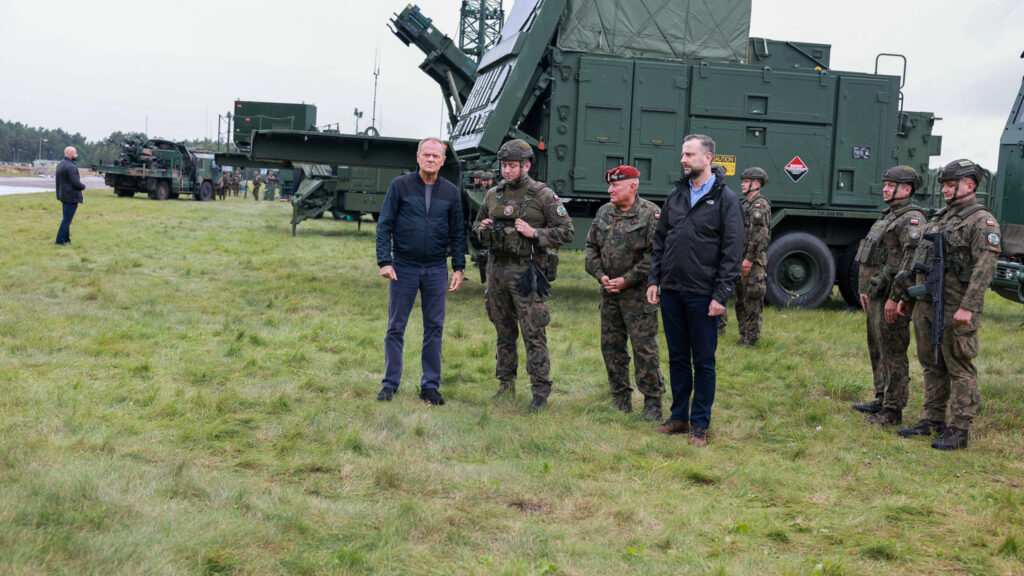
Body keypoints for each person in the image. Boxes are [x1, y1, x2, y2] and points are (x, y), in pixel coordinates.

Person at [891, 159, 1001, 450]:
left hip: (956, 306)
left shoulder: (981, 220)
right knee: (931, 363)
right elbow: (921, 261)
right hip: (927, 302)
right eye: (944, 185)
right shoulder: (941, 217)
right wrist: (907, 297)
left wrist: (969, 307)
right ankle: (933, 419)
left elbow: (985, 267)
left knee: (958, 365)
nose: (945, 190)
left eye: (951, 185)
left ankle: (959, 428)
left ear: (970, 185)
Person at [647, 134, 743, 446]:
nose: (683, 160)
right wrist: (654, 280)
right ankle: (678, 417)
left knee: (703, 361)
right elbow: (660, 241)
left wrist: (721, 295)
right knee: (677, 358)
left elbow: (732, 251)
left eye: (689, 155)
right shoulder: (676, 195)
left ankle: (700, 424)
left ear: (708, 158)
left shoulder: (726, 199)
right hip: (672, 291)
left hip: (704, 295)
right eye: (683, 154)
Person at [473, 139, 574, 409]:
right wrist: (481, 227)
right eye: (504, 165)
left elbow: (567, 232)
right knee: (503, 331)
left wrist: (535, 233)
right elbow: (476, 225)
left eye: (512, 166)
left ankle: (540, 392)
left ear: (526, 165)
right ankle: (505, 385)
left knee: (533, 333)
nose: (507, 171)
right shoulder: (493, 194)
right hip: (496, 271)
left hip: (527, 272)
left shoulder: (543, 195)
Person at [375, 137, 466, 405]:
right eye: (426, 154)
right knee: (395, 327)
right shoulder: (399, 186)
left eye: (436, 156)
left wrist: (458, 267)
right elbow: (384, 226)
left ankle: (429, 386)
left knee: (434, 328)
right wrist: (385, 261)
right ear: (417, 157)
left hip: (437, 269)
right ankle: (390, 385)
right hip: (403, 267)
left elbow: (457, 233)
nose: (430, 159)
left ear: (442, 160)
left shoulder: (451, 192)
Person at [585, 165, 665, 421]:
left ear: (633, 186)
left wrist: (626, 280)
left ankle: (652, 403)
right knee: (611, 347)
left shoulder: (650, 214)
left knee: (644, 350)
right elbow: (591, 248)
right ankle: (620, 398)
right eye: (609, 185)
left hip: (638, 297)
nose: (610, 190)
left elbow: (657, 255)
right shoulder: (604, 212)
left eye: (615, 185)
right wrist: (601, 275)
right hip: (609, 294)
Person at [850, 165, 927, 426]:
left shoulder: (911, 219)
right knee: (877, 347)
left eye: (890, 184)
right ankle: (881, 397)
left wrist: (896, 298)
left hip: (891, 297)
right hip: (876, 295)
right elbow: (871, 256)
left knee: (893, 351)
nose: (884, 188)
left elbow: (909, 264)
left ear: (906, 189)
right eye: (884, 184)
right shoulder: (888, 216)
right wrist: (863, 290)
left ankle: (893, 410)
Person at [732, 167, 773, 347]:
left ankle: (751, 341)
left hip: (752, 262)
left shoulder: (759, 205)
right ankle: (743, 338)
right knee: (740, 300)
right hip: (740, 260)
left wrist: (749, 258)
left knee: (752, 301)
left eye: (746, 181)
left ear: (756, 184)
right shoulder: (745, 204)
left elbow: (760, 234)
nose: (742, 184)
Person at [55, 146, 85, 245]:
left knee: (66, 218)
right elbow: (75, 183)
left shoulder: (60, 165)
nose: (77, 155)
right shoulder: (72, 166)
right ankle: (59, 241)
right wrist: (83, 186)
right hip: (71, 196)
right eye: (75, 153)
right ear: (70, 154)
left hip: (62, 195)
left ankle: (66, 239)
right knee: (67, 220)